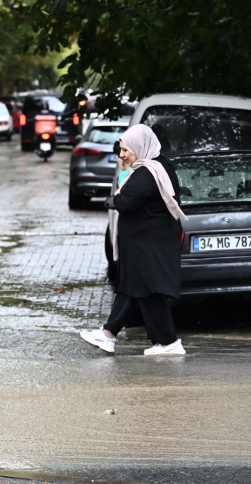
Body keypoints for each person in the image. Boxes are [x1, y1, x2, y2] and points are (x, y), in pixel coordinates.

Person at [80, 124, 188, 356]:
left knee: (141, 289)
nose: (122, 155)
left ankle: (114, 335)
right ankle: (163, 342)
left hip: (147, 244)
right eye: (120, 150)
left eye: (126, 150)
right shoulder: (160, 166)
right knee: (139, 289)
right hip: (148, 243)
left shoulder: (147, 172)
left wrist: (116, 196)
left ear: (140, 147)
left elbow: (125, 203)